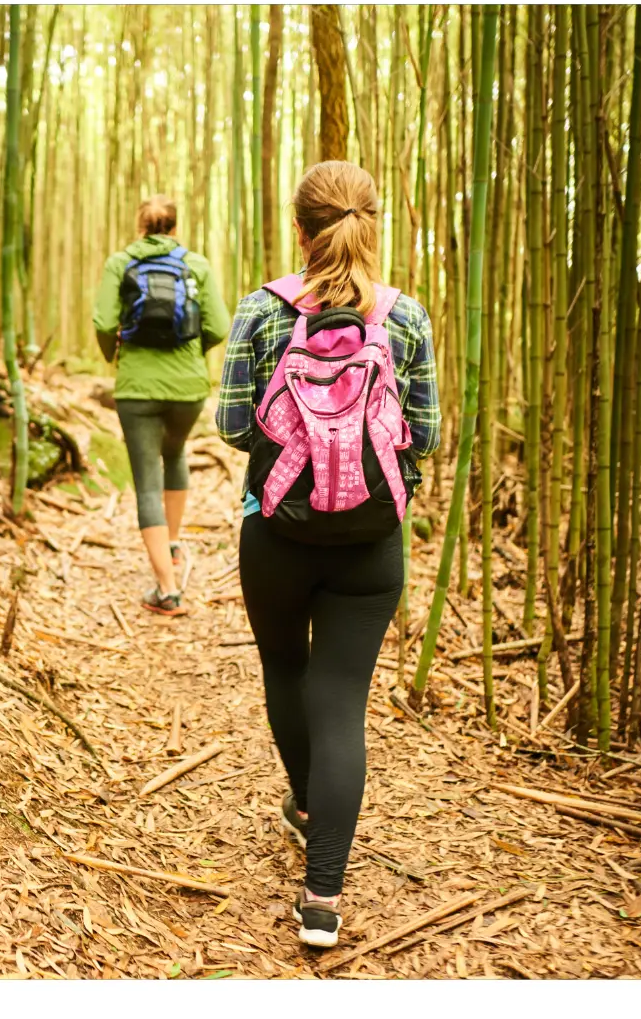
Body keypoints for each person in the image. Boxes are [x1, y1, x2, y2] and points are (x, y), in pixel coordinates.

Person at [215, 161, 440, 947]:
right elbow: (430, 436)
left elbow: (234, 424)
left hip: (277, 531)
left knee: (287, 670)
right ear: (374, 225)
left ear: (299, 230)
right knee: (342, 703)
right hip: (372, 546)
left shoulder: (261, 309)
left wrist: (300, 452)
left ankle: (307, 806)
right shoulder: (405, 319)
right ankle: (323, 899)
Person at [93, 195, 228, 616]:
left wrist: (113, 355)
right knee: (175, 452)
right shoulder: (196, 265)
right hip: (188, 388)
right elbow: (219, 326)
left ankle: (166, 590)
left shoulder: (120, 263)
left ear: (141, 227)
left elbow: (102, 322)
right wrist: (191, 354)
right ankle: (169, 545)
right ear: (174, 228)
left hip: (137, 388)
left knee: (147, 480)